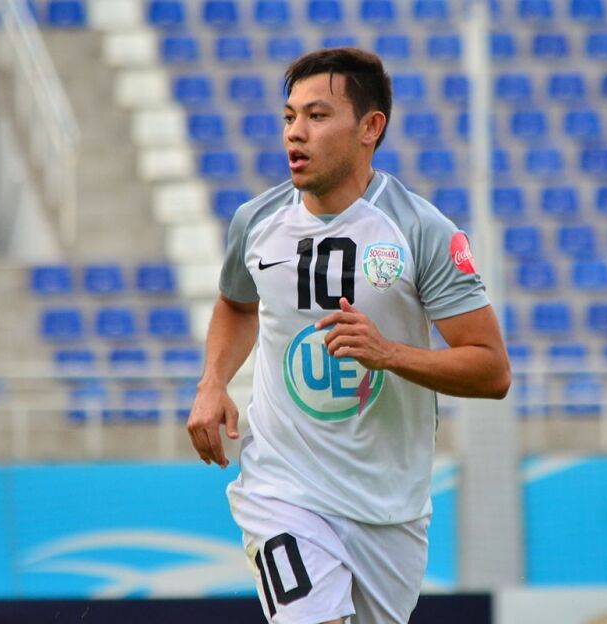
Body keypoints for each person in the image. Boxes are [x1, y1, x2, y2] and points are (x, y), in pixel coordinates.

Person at [187, 48, 511, 624]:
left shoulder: (422, 231)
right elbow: (236, 305)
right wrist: (212, 382)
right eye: (289, 117)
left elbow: (492, 369)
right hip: (283, 487)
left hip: (389, 507)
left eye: (316, 116)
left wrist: (389, 354)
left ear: (370, 127)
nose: (295, 132)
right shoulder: (255, 222)